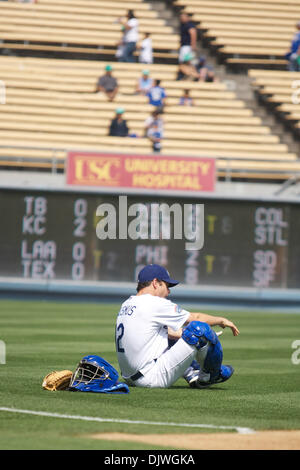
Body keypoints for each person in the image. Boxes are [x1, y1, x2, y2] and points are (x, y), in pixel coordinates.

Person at [115, 264, 240, 389]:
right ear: (155, 283)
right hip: (150, 378)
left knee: (181, 334)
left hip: (130, 378)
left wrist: (186, 335)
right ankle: (210, 376)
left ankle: (192, 371)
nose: (169, 291)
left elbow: (161, 332)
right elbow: (195, 318)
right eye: (167, 285)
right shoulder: (154, 303)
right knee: (199, 330)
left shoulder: (127, 303)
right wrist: (221, 320)